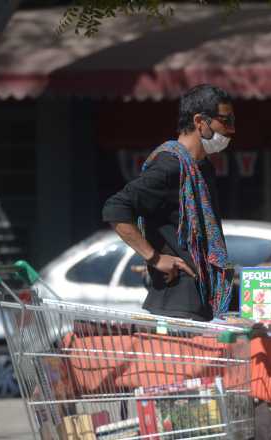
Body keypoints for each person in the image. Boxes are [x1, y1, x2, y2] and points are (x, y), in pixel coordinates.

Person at [101, 84, 236, 321]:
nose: (232, 130)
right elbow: (115, 208)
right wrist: (154, 258)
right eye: (225, 121)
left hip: (204, 300)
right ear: (199, 121)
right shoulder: (169, 166)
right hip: (176, 303)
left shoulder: (202, 168)